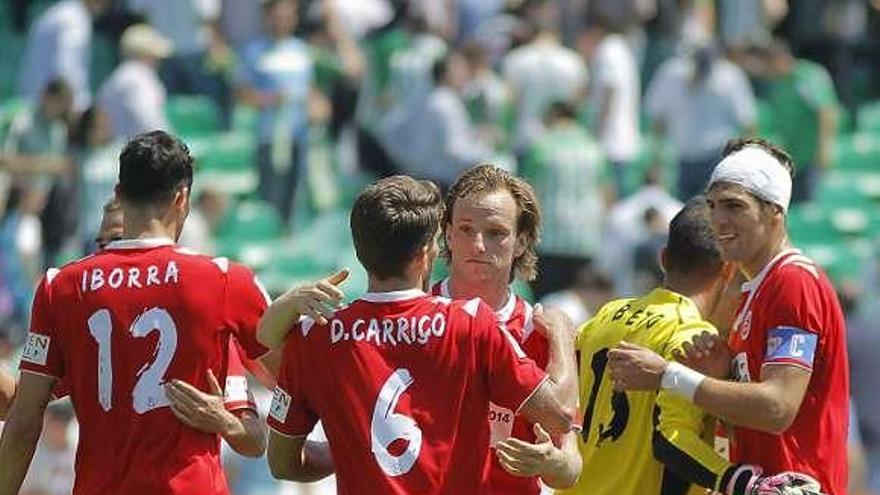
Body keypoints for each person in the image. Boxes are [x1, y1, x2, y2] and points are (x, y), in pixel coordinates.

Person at [262, 175, 576, 493]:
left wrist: (362, 448)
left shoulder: (313, 336)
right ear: (434, 246)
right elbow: (560, 413)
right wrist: (563, 334)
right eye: (466, 229)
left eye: (496, 233)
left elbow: (283, 462)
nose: (479, 245)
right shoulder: (471, 323)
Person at [0, 130, 272, 493]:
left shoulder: (60, 287)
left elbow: (21, 419)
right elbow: (296, 386)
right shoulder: (224, 282)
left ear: (119, 194)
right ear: (182, 198)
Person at [608, 138, 850, 495]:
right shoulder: (756, 288)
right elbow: (756, 416)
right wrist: (723, 374)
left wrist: (667, 376)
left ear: (775, 212)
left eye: (734, 206)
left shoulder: (793, 282)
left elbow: (777, 407)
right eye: (713, 205)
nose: (718, 219)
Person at [17, 0, 110, 113]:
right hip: (51, 111)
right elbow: (67, 71)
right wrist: (81, 110)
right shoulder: (75, 21)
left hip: (31, 104)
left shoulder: (57, 13)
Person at [98, 24, 174, 140]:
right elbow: (149, 120)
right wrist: (168, 146)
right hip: (138, 151)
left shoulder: (115, 78)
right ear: (146, 54)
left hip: (116, 148)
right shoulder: (139, 77)